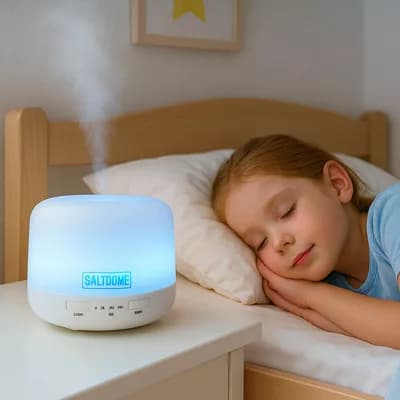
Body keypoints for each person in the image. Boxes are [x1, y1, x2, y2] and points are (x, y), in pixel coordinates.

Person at [211, 134, 400, 349]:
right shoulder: (333, 283)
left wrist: (309, 296)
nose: (278, 243)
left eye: (286, 211)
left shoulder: (393, 212)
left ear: (337, 184)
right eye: (260, 243)